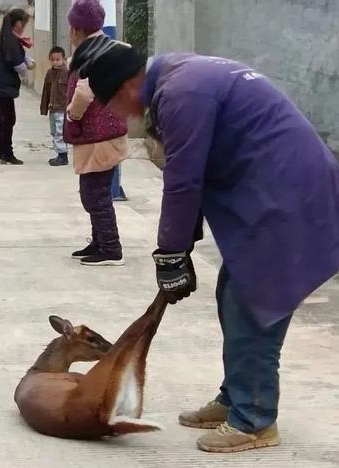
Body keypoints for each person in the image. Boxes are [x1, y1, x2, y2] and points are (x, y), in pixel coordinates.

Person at [79, 41, 339, 452]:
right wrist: (181, 246)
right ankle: (236, 395)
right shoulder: (178, 75)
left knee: (254, 304)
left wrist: (171, 254)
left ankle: (254, 418)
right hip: (275, 190)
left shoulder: (182, 93)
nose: (115, 113)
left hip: (288, 196)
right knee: (231, 294)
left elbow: (183, 181)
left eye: (111, 101)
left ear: (131, 83)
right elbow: (194, 168)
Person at [64, 0, 129, 266]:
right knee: (92, 190)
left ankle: (111, 249)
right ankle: (99, 241)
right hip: (106, 134)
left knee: (96, 194)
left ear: (78, 28)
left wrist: (72, 113)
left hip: (99, 136)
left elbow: (84, 91)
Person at [0, 8, 34, 165]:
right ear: (18, 23)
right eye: (24, 23)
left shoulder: (9, 37)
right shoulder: (11, 40)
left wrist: (27, 61)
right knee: (8, 119)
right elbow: (18, 64)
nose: (24, 26)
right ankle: (7, 153)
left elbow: (20, 56)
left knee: (4, 119)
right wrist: (27, 72)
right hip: (2, 85)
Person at [40, 46, 69, 166]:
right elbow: (46, 91)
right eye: (53, 59)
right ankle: (59, 153)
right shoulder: (49, 73)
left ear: (64, 59)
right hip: (53, 108)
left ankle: (63, 155)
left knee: (60, 132)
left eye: (58, 59)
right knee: (53, 131)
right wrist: (44, 108)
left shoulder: (67, 73)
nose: (55, 62)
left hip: (62, 108)